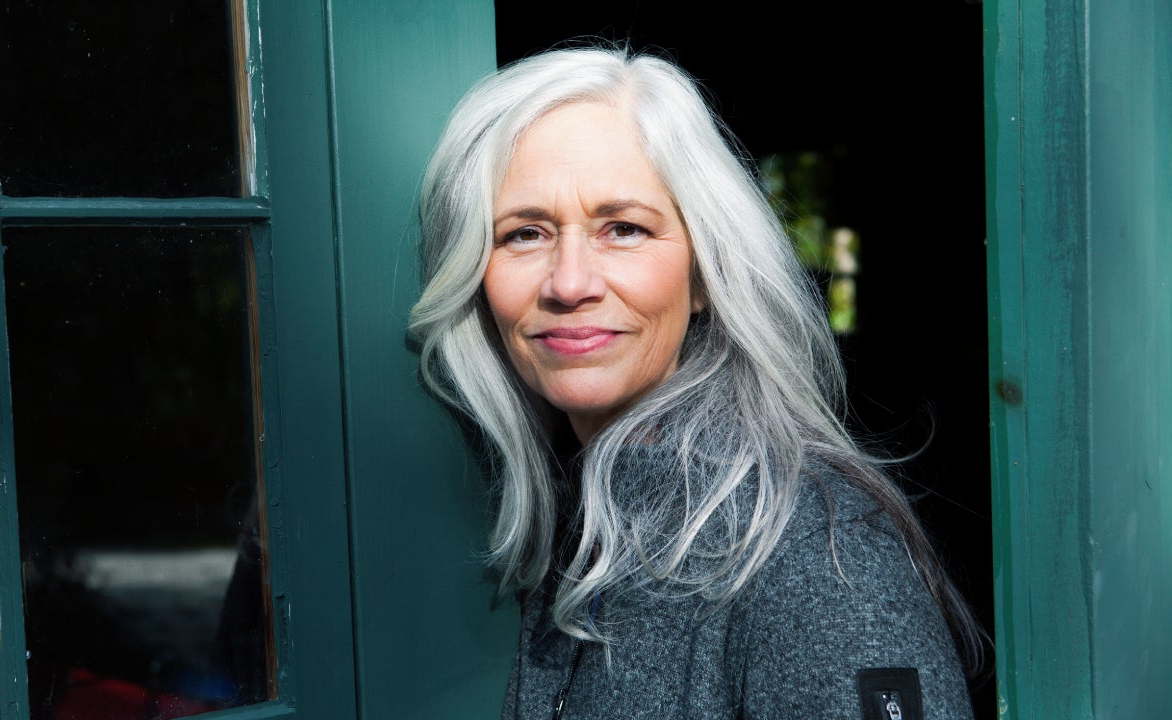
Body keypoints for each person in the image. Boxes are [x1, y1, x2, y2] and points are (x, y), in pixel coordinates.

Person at [408, 45, 980, 719]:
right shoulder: (560, 513)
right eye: (524, 234)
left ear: (705, 274)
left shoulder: (817, 548)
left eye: (623, 229)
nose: (568, 283)